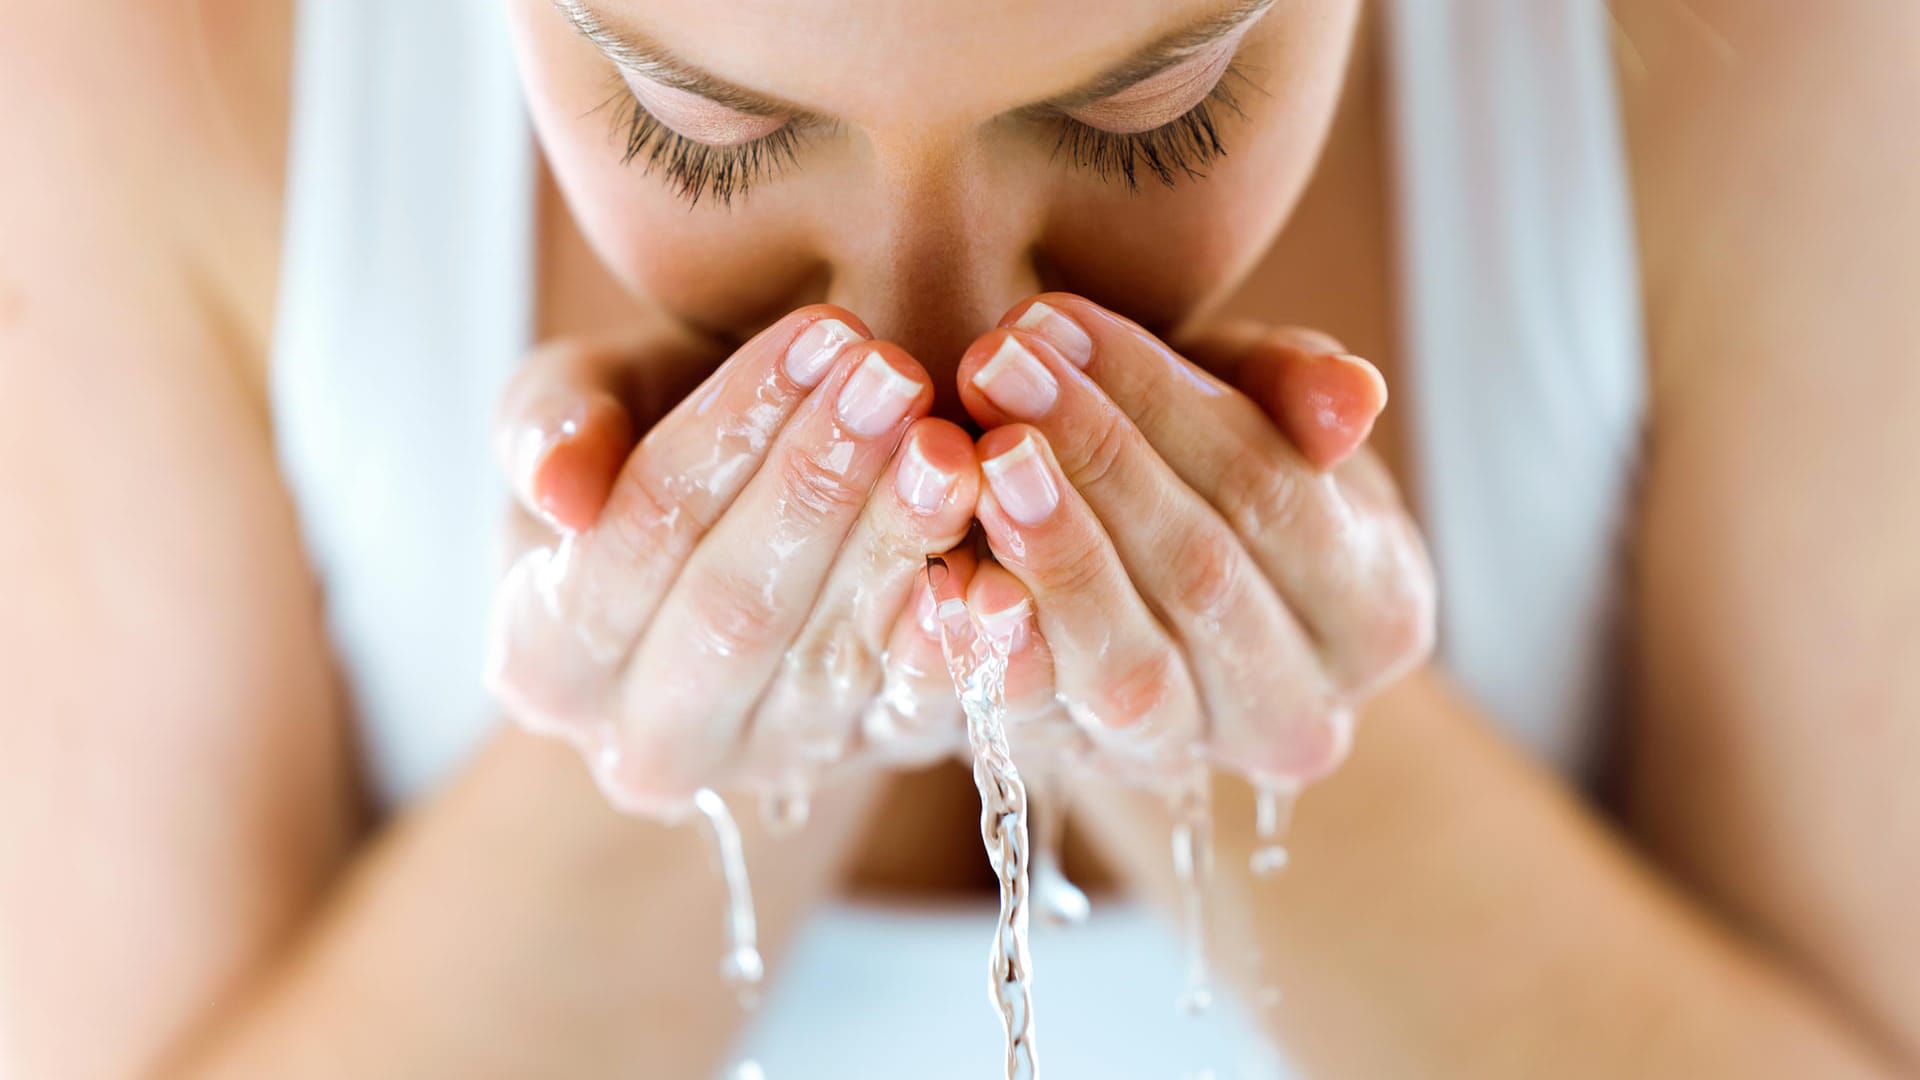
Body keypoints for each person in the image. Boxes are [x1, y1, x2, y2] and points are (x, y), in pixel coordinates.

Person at [3, 0, 1917, 1077]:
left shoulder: (1777, 60)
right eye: (700, 127)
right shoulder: (146, 70)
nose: (935, 351)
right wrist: (685, 765)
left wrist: (1252, 733)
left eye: (1155, 112)